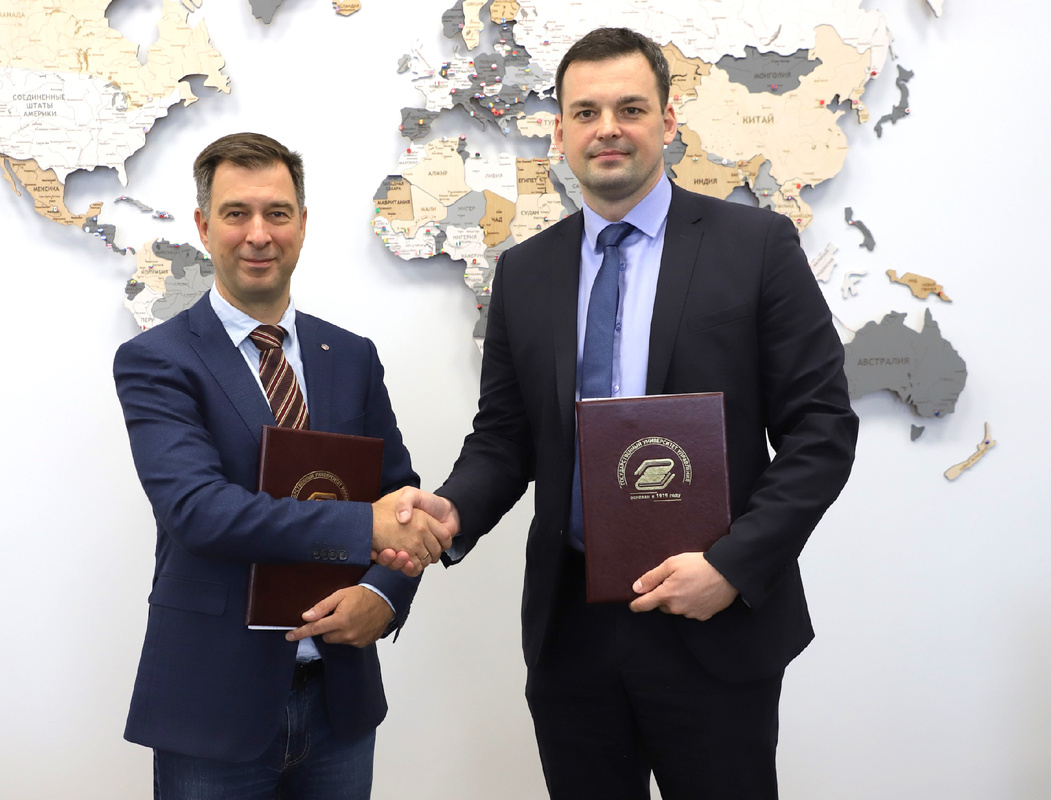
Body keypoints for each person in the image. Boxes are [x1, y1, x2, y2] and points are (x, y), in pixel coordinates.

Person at [396, 27, 859, 799]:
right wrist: (453, 509)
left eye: (630, 108)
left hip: (713, 619)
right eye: (586, 112)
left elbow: (821, 430)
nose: (607, 128)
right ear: (561, 131)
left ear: (667, 122)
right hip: (572, 632)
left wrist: (731, 568)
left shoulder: (756, 247)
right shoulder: (525, 272)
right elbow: (506, 438)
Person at [113, 132, 449, 799]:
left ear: (302, 222)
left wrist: (383, 595)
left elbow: (401, 501)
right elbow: (198, 511)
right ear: (204, 226)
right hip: (213, 706)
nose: (258, 234)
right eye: (236, 213)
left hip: (339, 699)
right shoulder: (158, 361)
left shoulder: (350, 357)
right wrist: (366, 526)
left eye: (277, 213)